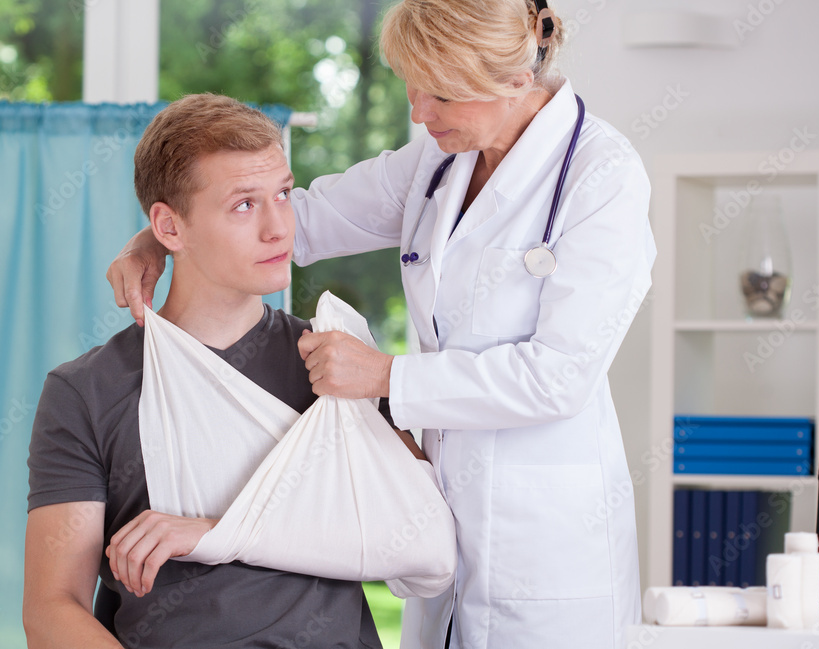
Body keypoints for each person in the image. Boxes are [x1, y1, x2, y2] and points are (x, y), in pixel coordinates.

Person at [106, 0, 656, 647]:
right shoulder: (439, 161)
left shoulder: (601, 177)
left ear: (514, 81)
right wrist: (158, 235)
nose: (420, 114)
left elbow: (559, 376)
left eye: (442, 96)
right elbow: (294, 222)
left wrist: (386, 376)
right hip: (439, 524)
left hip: (547, 546)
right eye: (413, 88)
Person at [23, 93, 390, 649]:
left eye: (284, 194)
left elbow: (411, 539)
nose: (278, 229)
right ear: (168, 228)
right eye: (244, 204)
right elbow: (53, 609)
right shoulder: (86, 391)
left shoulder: (336, 363)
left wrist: (221, 534)